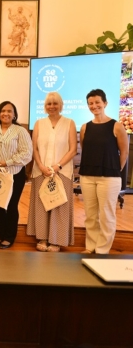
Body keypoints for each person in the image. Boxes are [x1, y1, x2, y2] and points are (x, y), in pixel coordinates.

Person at [79, 88, 128, 254]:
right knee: (91, 215)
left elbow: (124, 152)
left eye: (97, 102)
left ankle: (102, 249)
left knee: (106, 216)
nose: (94, 106)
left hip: (109, 178)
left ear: (105, 103)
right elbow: (85, 148)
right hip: (87, 176)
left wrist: (115, 169)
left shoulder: (117, 126)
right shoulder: (85, 127)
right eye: (91, 103)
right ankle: (90, 246)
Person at [26, 92, 77, 252]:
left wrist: (57, 166)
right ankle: (42, 237)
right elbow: (33, 148)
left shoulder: (69, 123)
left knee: (59, 205)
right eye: (49, 104)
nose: (52, 106)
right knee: (42, 204)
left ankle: (56, 240)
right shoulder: (39, 123)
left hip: (62, 171)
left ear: (61, 105)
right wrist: (41, 166)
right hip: (41, 171)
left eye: (55, 103)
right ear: (45, 106)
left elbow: (73, 149)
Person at [0, 101, 32, 249]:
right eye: (3, 111)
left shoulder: (20, 131)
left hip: (14, 174)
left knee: (10, 205)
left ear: (14, 114)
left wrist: (6, 162)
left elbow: (26, 154)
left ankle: (10, 237)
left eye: (9, 111)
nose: (6, 113)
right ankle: (1, 234)